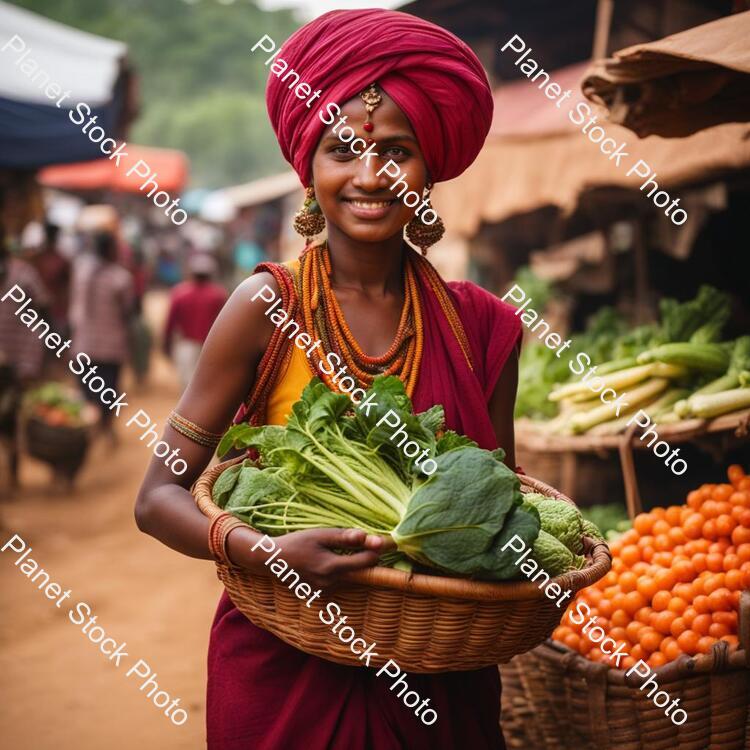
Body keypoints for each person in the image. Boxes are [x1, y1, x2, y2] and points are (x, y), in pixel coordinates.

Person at [134, 9, 520, 749]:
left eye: (398, 151)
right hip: (284, 677)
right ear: (308, 166)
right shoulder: (266, 305)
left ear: (429, 168)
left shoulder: (484, 326)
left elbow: (500, 511)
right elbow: (155, 500)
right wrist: (268, 552)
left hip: (441, 685)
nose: (371, 176)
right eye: (344, 149)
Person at [69, 231, 134, 443]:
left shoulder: (81, 272)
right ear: (111, 250)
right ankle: (106, 428)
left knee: (87, 393)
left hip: (83, 345)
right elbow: (128, 310)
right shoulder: (121, 277)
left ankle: (89, 431)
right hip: (111, 347)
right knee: (108, 391)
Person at [163, 253, 228, 390]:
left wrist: (166, 344)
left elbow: (170, 322)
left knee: (187, 386)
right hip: (211, 345)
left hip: (186, 345)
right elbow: (226, 324)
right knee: (207, 386)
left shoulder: (180, 293)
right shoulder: (218, 295)